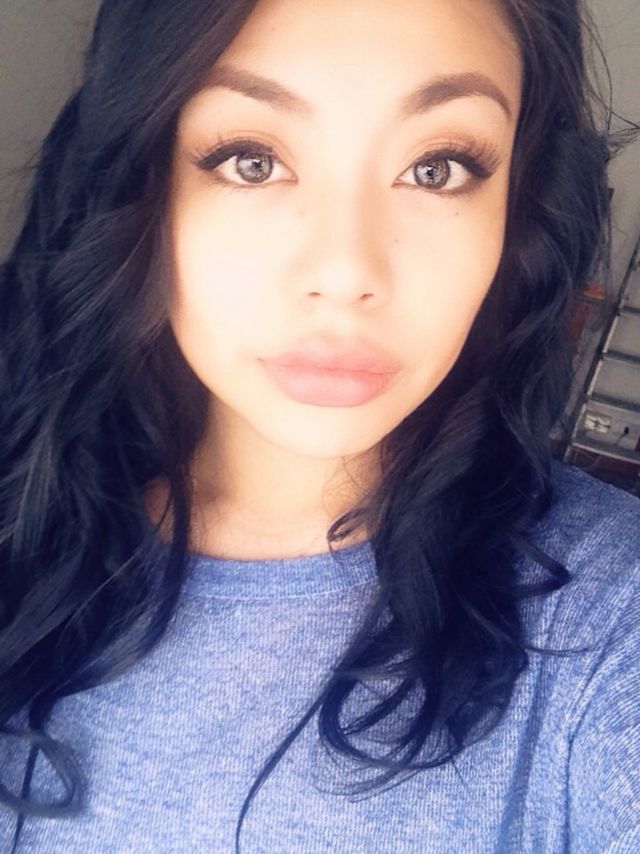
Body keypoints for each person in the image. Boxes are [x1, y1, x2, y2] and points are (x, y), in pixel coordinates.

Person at [1, 0, 639, 850]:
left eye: (438, 168)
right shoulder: (24, 529)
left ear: (517, 212)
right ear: (143, 182)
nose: (345, 271)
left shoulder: (608, 618)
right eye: (253, 160)